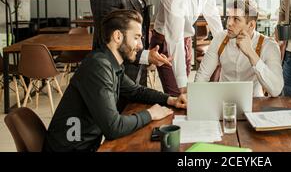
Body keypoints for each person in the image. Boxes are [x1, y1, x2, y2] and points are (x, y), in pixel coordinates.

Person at [43, 10, 187, 152]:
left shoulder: (109, 63)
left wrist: (171, 100)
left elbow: (136, 91)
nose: (141, 45)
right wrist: (151, 114)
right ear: (118, 36)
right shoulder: (98, 66)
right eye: (136, 37)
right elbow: (113, 127)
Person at [152, 0, 223, 96]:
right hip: (165, 42)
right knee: (177, 94)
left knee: (188, 94)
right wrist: (182, 83)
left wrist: (224, 43)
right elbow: (175, 39)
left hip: (186, 39)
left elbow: (212, 14)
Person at [195, 0, 283, 97]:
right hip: (223, 100)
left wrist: (251, 53)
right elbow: (202, 76)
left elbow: (276, 90)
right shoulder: (220, 38)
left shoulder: (268, 45)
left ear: (251, 25)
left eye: (236, 19)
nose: (229, 23)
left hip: (254, 102)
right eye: (229, 17)